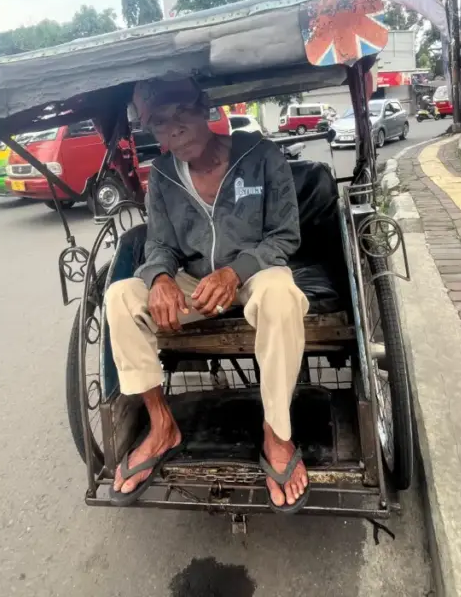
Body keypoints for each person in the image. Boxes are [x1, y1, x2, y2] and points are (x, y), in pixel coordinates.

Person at [104, 78, 311, 512]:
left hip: (255, 274)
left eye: (180, 113)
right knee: (121, 296)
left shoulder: (261, 156)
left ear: (205, 109)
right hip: (194, 283)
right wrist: (160, 277)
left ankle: (277, 433)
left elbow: (284, 236)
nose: (172, 129)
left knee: (280, 296)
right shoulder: (161, 174)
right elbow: (160, 244)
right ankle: (162, 426)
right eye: (160, 123)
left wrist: (235, 273)